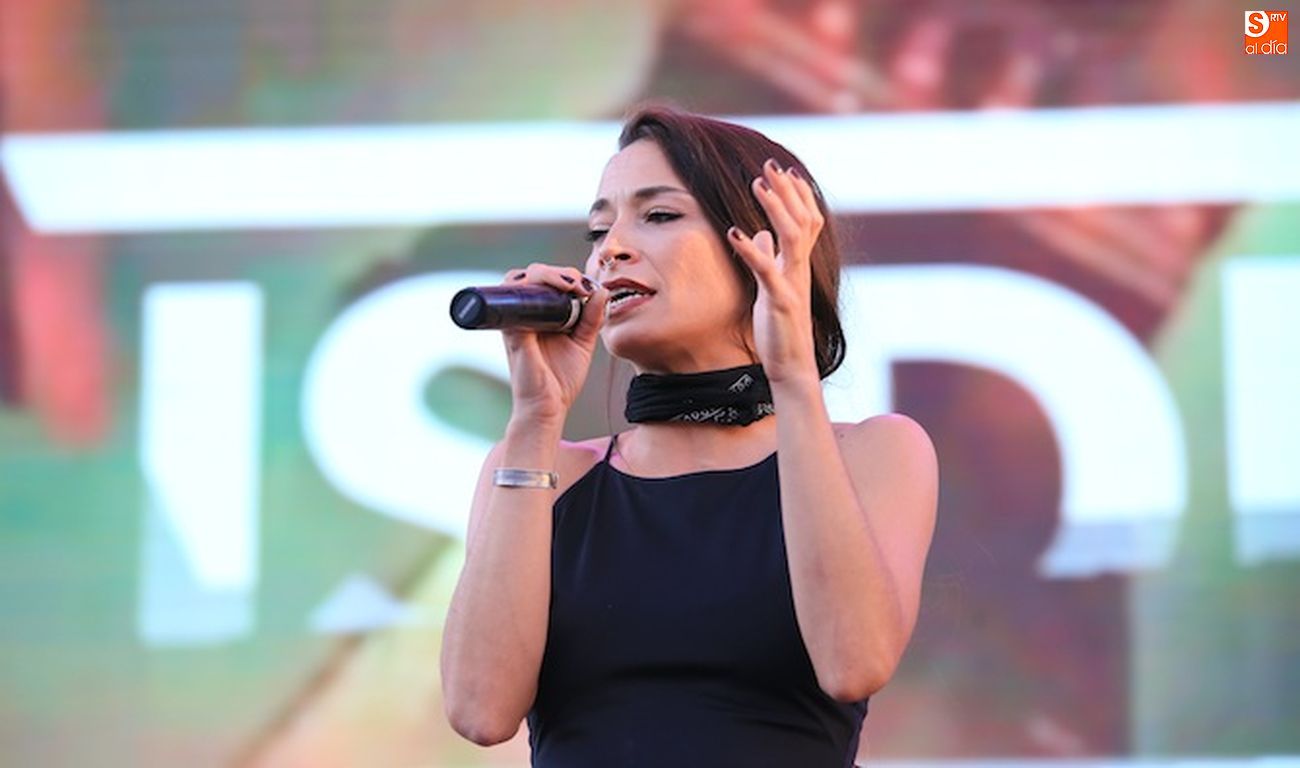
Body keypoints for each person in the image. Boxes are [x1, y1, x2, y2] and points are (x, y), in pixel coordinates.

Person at [440, 106, 938, 767]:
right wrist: (535, 419)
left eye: (659, 215)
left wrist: (791, 374)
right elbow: (479, 710)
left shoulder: (875, 452)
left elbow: (853, 663)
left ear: (763, 249)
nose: (610, 248)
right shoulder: (544, 469)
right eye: (599, 227)